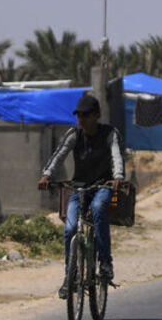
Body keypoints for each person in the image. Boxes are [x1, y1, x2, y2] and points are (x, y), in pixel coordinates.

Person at [37, 94, 125, 299]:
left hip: (103, 185)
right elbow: (59, 155)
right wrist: (47, 175)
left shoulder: (109, 133)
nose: (81, 119)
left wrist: (118, 176)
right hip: (79, 188)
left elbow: (117, 155)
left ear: (96, 116)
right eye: (79, 115)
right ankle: (70, 276)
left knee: (98, 208)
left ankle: (105, 262)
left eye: (85, 115)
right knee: (70, 228)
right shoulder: (74, 135)